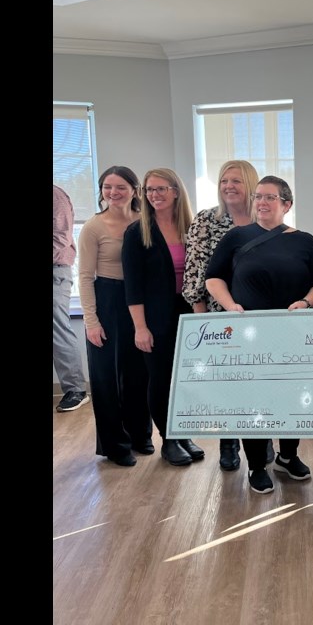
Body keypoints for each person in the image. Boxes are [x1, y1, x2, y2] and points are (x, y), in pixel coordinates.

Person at [206, 175, 313, 494]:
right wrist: (230, 305)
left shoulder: (306, 241)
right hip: (249, 333)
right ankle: (257, 465)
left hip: (293, 332)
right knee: (253, 400)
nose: (261, 202)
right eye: (258, 196)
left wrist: (306, 302)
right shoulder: (236, 237)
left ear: (287, 204)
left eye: (270, 197)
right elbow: (213, 278)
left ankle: (287, 456)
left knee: (292, 396)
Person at [182, 160, 263, 472]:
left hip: (259, 318)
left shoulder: (266, 219)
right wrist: (201, 319)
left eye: (236, 181)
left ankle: (261, 438)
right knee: (227, 384)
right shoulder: (206, 220)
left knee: (257, 382)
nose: (228, 186)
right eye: (224, 180)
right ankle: (229, 443)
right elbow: (195, 271)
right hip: (219, 319)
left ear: (251, 186)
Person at [122, 168, 204, 467]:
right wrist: (140, 327)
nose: (154, 195)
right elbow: (132, 286)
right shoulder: (137, 232)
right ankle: (168, 440)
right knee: (161, 379)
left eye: (160, 189)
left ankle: (183, 435)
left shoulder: (192, 227)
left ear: (176, 191)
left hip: (189, 314)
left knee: (185, 380)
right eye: (149, 190)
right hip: (155, 318)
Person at [78, 167, 152, 466]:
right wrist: (91, 322)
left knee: (138, 374)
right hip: (107, 301)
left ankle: (140, 435)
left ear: (134, 189)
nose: (113, 192)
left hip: (139, 302)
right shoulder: (93, 227)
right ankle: (114, 444)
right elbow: (84, 277)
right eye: (107, 187)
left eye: (120, 187)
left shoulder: (144, 221)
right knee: (106, 378)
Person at [53, 185, 91, 413]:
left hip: (55, 270)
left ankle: (76, 389)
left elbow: (60, 238)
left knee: (56, 327)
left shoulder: (55, 196)